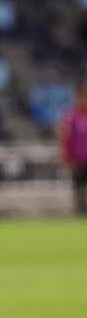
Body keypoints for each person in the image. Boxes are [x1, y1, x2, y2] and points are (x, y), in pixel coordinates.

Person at [59, 75, 87, 215]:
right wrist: (68, 157)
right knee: (78, 188)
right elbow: (66, 138)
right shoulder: (71, 116)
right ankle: (81, 213)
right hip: (78, 160)